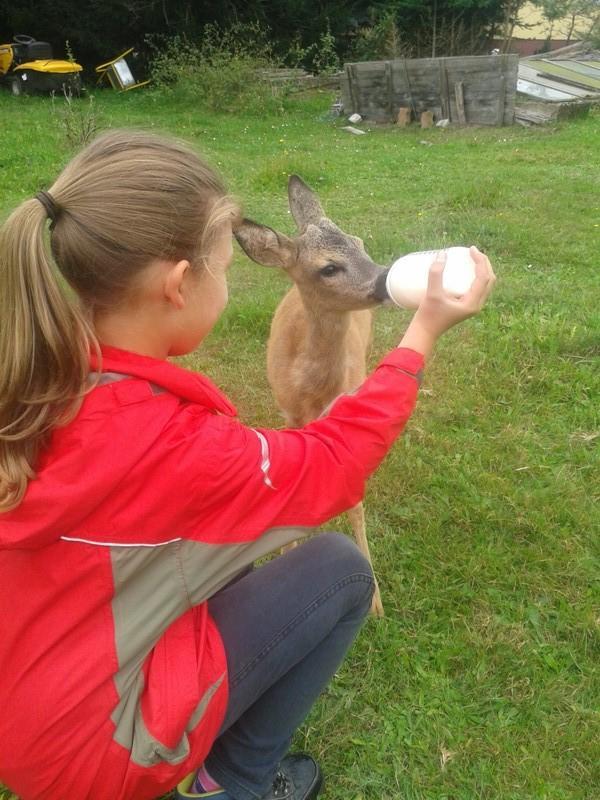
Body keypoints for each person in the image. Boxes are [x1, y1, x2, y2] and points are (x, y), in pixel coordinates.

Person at [0, 130, 495, 800]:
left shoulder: (32, 380)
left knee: (233, 552)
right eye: (226, 271)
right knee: (338, 569)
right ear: (179, 286)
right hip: (97, 751)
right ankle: (232, 781)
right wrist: (421, 335)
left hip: (28, 697)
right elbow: (332, 464)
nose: (229, 286)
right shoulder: (179, 447)